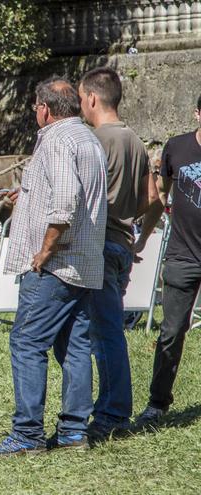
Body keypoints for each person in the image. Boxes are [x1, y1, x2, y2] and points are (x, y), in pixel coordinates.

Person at [0, 77, 107, 456]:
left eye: (35, 106)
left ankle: (27, 434)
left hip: (56, 264)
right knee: (74, 346)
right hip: (83, 262)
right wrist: (30, 191)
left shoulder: (55, 140)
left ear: (44, 108)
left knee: (26, 342)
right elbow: (72, 189)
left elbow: (67, 201)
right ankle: (72, 432)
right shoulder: (87, 138)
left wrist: (44, 251)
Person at [78, 67, 158, 439]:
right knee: (104, 330)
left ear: (92, 99)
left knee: (103, 334)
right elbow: (155, 199)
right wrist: (138, 236)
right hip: (123, 245)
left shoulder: (95, 140)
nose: (81, 106)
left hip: (98, 246)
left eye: (81, 99)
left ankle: (112, 416)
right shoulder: (136, 140)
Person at [132, 94, 201, 429]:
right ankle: (157, 404)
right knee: (172, 332)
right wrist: (144, 237)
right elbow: (160, 197)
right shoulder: (177, 147)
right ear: (196, 113)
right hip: (182, 255)